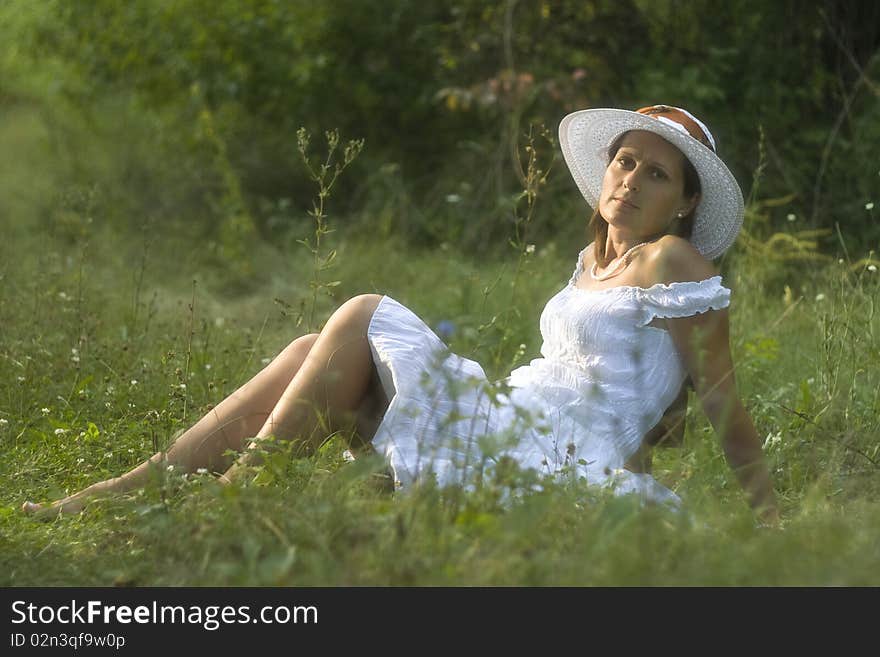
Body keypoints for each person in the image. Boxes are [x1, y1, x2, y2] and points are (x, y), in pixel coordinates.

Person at [22, 104, 779, 525]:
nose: (632, 179)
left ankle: (233, 499)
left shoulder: (676, 264)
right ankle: (121, 491)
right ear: (605, 170)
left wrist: (771, 517)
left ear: (683, 202)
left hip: (548, 448)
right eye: (625, 161)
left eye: (658, 173)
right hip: (515, 417)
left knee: (363, 311)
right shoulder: (593, 264)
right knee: (307, 346)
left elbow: (721, 397)